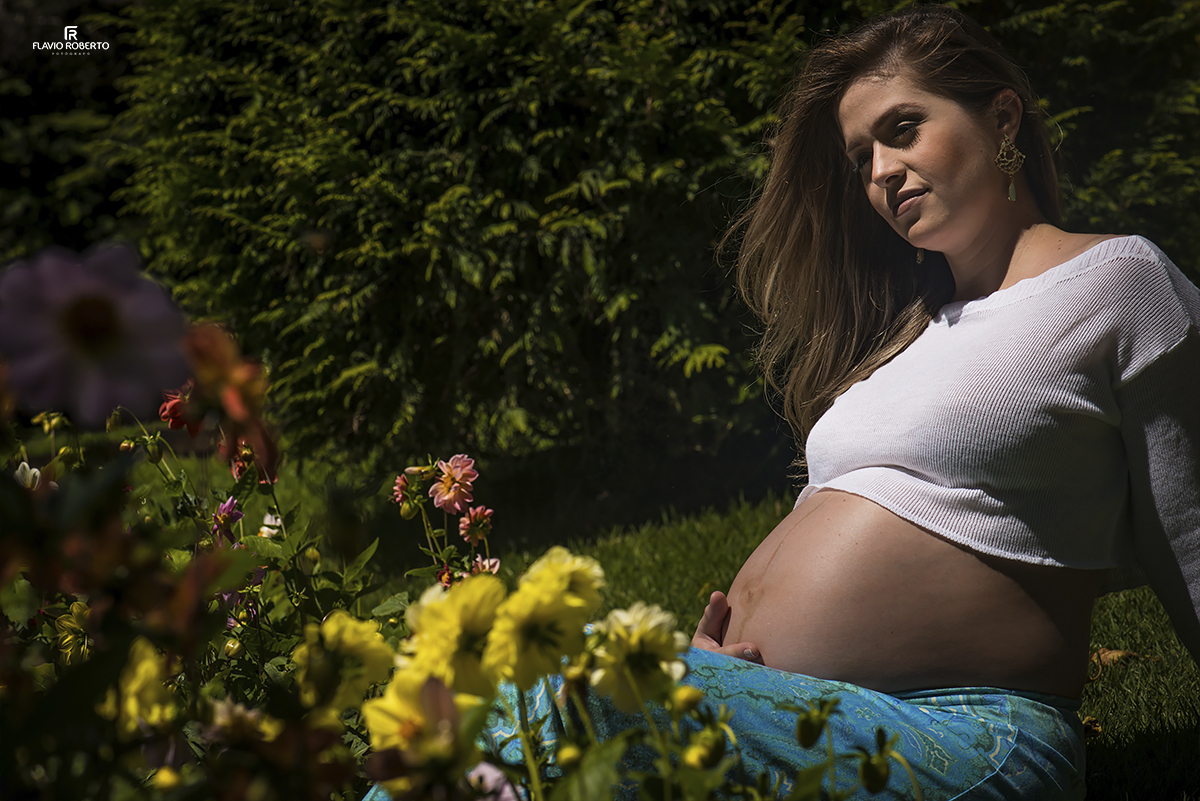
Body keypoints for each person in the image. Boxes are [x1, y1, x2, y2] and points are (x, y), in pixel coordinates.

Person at [372, 5, 1200, 799]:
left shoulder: (1116, 283)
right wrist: (714, 677)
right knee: (475, 696)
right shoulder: (913, 339)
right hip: (801, 712)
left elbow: (1192, 539)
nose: (880, 171)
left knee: (551, 680)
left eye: (903, 129)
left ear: (1003, 117)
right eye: (861, 157)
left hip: (967, 734)